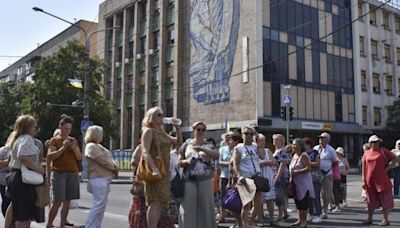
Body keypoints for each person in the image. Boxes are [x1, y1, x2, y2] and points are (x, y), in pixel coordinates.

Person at [141, 107, 182, 228]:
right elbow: (145, 152)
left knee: (160, 203)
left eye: (162, 115)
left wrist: (177, 127)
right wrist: (154, 169)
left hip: (164, 171)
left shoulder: (161, 132)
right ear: (151, 118)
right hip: (155, 170)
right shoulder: (148, 131)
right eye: (158, 115)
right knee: (154, 202)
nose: (162, 117)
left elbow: (178, 143)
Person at [6, 115, 45, 228]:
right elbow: (22, 156)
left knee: (19, 212)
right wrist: (38, 169)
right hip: (23, 179)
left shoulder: (18, 138)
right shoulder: (27, 139)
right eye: (34, 126)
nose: (36, 129)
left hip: (16, 176)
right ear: (28, 127)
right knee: (24, 215)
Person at [179, 121, 218, 228]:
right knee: (188, 207)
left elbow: (216, 155)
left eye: (203, 129)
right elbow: (179, 162)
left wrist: (202, 149)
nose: (200, 132)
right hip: (189, 180)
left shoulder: (209, 144)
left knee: (206, 207)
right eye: (198, 129)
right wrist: (187, 161)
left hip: (205, 179)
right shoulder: (187, 144)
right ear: (194, 130)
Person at [47, 114, 82, 228]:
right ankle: (49, 223)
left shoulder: (73, 140)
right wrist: (63, 148)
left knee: (67, 201)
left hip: (72, 172)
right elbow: (51, 156)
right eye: (66, 128)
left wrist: (73, 148)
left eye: (69, 129)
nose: (68, 131)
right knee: (57, 201)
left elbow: (79, 157)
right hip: (59, 173)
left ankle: (62, 224)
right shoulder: (54, 141)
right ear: (60, 128)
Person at [85, 125, 118, 227]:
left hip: (103, 178)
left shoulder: (98, 146)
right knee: (98, 204)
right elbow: (101, 161)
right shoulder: (91, 146)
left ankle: (96, 225)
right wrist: (113, 168)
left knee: (101, 205)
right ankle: (90, 225)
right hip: (98, 178)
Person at [362, 135, 397, 226]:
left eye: (377, 142)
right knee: (370, 200)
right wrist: (363, 179)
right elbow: (364, 166)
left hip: (382, 179)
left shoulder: (383, 151)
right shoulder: (366, 153)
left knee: (384, 199)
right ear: (370, 144)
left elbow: (395, 158)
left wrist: (388, 168)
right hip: (370, 179)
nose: (376, 144)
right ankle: (369, 219)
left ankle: (386, 220)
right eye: (374, 142)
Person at [232, 126, 260, 228]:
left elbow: (261, 157)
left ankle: (250, 222)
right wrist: (239, 176)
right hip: (246, 178)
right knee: (246, 204)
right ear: (242, 135)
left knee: (258, 204)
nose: (248, 136)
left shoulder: (255, 146)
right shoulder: (238, 148)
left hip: (257, 177)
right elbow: (235, 164)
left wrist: (260, 143)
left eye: (251, 134)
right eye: (246, 133)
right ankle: (244, 225)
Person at [289, 138, 315, 228]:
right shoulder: (295, 155)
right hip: (296, 184)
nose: (293, 146)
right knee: (298, 203)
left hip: (304, 184)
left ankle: (304, 221)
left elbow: (308, 168)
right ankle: (299, 220)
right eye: (292, 144)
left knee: (303, 203)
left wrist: (297, 172)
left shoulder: (304, 156)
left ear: (300, 146)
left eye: (295, 144)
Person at [313, 132, 337, 219]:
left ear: (327, 140)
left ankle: (325, 210)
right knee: (316, 192)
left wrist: (328, 169)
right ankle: (317, 209)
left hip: (327, 174)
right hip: (317, 174)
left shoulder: (331, 150)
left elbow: (335, 161)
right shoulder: (315, 148)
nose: (321, 140)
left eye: (323, 138)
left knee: (326, 193)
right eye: (320, 138)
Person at [256, 133, 276, 227]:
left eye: (263, 140)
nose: (262, 142)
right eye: (260, 140)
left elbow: (273, 162)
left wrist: (264, 162)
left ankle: (272, 218)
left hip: (268, 177)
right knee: (258, 200)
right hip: (259, 177)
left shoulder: (268, 151)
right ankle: (260, 219)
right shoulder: (254, 150)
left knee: (270, 199)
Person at [217, 131, 238, 223]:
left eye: (232, 139)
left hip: (235, 177)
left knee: (234, 197)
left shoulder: (238, 149)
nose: (230, 141)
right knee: (222, 196)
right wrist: (229, 163)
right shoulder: (222, 149)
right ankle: (222, 216)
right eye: (229, 139)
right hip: (224, 176)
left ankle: (237, 218)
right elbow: (218, 162)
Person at [272, 134, 290, 221]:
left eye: (277, 139)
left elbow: (282, 164)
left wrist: (278, 176)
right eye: (274, 139)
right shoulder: (276, 151)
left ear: (282, 141)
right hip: (276, 175)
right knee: (280, 195)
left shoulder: (282, 151)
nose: (274, 141)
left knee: (279, 195)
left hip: (280, 176)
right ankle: (285, 213)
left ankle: (280, 215)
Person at [304, 137, 322, 224]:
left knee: (315, 196)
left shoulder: (315, 153)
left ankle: (318, 214)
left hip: (314, 178)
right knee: (309, 197)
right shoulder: (304, 154)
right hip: (306, 178)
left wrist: (308, 163)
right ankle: (310, 213)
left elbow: (318, 164)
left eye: (305, 145)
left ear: (309, 145)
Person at [129, 144, 147, 228]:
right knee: (139, 203)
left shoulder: (158, 145)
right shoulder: (140, 147)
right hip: (141, 178)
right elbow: (133, 162)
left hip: (153, 181)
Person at [169, 131, 181, 224]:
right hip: (172, 183)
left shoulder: (184, 154)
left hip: (183, 183)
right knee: (173, 208)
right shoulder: (170, 155)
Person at [0, 146, 11, 217]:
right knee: (6, 200)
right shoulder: (3, 150)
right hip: (3, 179)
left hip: (18, 179)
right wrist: (8, 161)